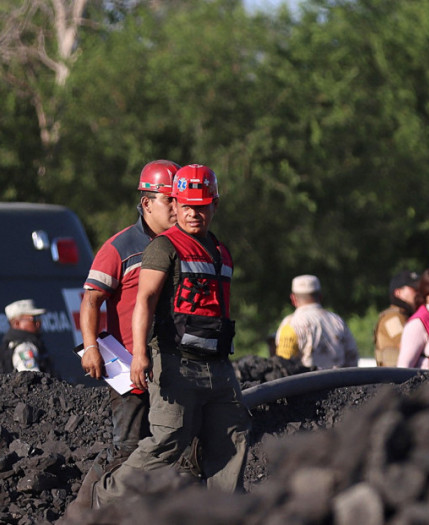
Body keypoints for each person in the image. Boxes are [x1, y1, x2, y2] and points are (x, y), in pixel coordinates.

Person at [92, 164, 252, 507]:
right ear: (175, 206)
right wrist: (140, 355)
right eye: (188, 206)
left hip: (218, 364)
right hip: (176, 362)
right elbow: (144, 301)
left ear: (215, 206)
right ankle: (108, 500)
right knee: (168, 439)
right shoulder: (164, 247)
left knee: (233, 435)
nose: (195, 213)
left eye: (203, 205)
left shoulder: (221, 251)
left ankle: (224, 514)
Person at [80, 159, 179, 460]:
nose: (177, 208)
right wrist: (90, 347)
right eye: (168, 200)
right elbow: (91, 300)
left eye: (179, 200)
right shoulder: (119, 248)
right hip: (129, 369)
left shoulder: (182, 246)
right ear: (147, 203)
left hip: (171, 367)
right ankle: (95, 506)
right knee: (128, 451)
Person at [275, 275, 359, 369]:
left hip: (307, 382)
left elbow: (283, 363)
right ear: (320, 296)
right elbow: (352, 357)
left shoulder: (290, 324)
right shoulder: (337, 321)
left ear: (293, 299)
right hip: (340, 381)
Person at [373, 270, 420, 367]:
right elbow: (406, 345)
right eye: (414, 289)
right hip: (394, 378)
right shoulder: (392, 318)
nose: (418, 293)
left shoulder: (407, 315)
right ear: (398, 292)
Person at [0, 299, 52, 373]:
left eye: (39, 318)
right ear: (17, 323)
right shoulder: (24, 348)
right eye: (33, 319)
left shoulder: (12, 345)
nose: (38, 323)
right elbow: (32, 378)